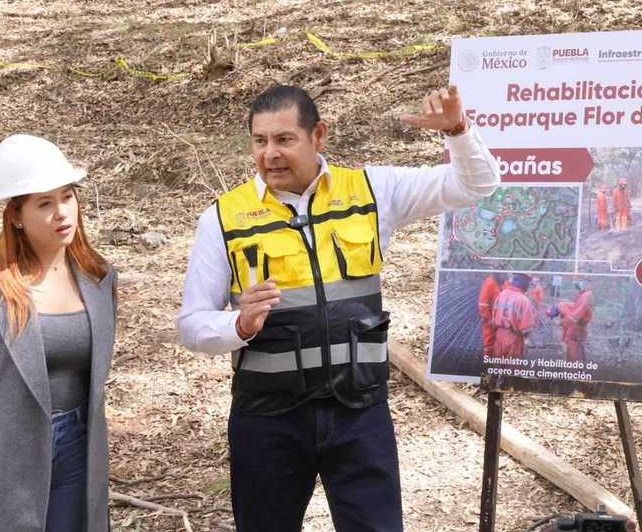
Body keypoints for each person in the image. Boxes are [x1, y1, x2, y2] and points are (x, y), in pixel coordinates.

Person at [177, 84, 499, 531]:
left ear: (319, 136)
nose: (270, 154)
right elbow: (192, 325)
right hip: (269, 419)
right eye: (259, 141)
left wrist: (458, 131)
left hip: (359, 412)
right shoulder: (223, 218)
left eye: (284, 139)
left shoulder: (371, 191)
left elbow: (476, 184)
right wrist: (240, 324)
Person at [0, 135, 119, 532]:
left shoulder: (99, 278)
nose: (62, 212)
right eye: (44, 203)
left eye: (67, 197)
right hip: (3, 455)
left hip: (78, 446)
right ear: (16, 214)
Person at [492, 273, 537, 359]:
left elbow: (494, 316)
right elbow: (526, 328)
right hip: (514, 339)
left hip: (499, 336)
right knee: (512, 366)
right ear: (525, 285)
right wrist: (526, 340)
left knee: (497, 364)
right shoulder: (524, 300)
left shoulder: (501, 294)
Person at [555, 278, 594, 362]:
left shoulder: (586, 296)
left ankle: (573, 366)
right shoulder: (585, 294)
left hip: (578, 327)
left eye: (578, 283)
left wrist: (561, 322)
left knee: (572, 347)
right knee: (579, 346)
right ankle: (581, 364)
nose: (577, 286)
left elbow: (576, 316)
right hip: (580, 326)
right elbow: (577, 308)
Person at [478, 273, 502, 356]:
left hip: (499, 320)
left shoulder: (501, 282)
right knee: (489, 344)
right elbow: (483, 304)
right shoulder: (490, 283)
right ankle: (488, 361)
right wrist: (489, 319)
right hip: (491, 321)